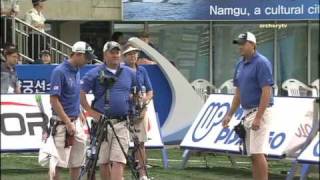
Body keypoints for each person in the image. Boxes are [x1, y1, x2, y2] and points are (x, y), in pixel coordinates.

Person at [80, 41, 136, 180]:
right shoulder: (94, 73)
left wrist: (133, 105)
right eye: (112, 52)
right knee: (104, 161)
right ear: (105, 55)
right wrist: (91, 112)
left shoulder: (129, 72)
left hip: (122, 122)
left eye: (117, 52)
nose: (116, 55)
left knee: (119, 160)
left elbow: (136, 91)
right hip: (102, 125)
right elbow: (80, 94)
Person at [222, 32, 274, 180]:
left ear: (252, 44)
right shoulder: (240, 64)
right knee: (253, 154)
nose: (240, 47)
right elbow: (238, 92)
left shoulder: (262, 63)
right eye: (239, 44)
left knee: (258, 153)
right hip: (247, 112)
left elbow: (266, 91)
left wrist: (259, 117)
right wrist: (229, 114)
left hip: (260, 112)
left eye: (243, 44)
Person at [49, 41, 96, 180]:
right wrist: (67, 122)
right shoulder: (60, 71)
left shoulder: (76, 71)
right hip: (62, 122)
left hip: (75, 120)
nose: (88, 60)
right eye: (86, 57)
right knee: (57, 161)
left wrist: (79, 110)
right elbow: (54, 99)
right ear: (78, 54)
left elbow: (72, 95)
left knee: (77, 161)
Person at [123, 46, 153, 180]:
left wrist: (144, 103)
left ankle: (142, 174)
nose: (133, 56)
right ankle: (120, 174)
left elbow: (150, 91)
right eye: (129, 54)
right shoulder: (121, 71)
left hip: (141, 111)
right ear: (124, 56)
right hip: (124, 111)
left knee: (140, 143)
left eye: (135, 53)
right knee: (121, 143)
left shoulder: (142, 71)